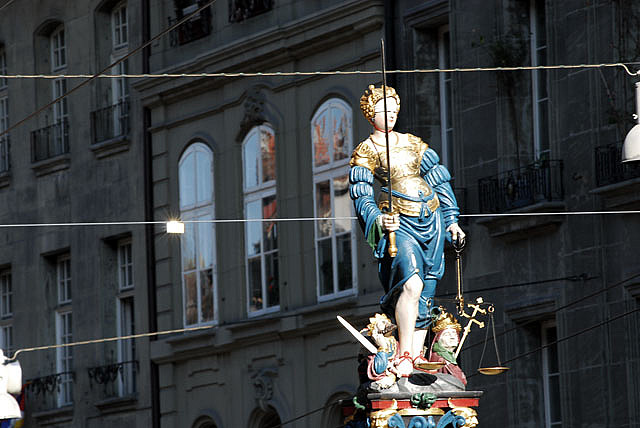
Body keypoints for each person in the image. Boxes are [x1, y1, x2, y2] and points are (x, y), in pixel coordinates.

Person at [349, 84, 465, 377]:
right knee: (411, 284)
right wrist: (378, 219)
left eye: (393, 110)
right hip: (399, 223)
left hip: (431, 218)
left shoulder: (413, 143)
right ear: (370, 114)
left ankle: (415, 356)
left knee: (426, 289)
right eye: (383, 110)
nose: (390, 115)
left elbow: (438, 178)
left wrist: (451, 218)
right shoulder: (367, 150)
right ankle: (403, 353)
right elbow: (361, 193)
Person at [428, 310, 467, 385]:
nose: (452, 337)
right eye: (447, 334)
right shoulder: (440, 359)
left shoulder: (449, 357)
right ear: (438, 339)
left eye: (454, 334)